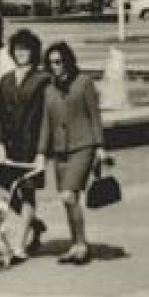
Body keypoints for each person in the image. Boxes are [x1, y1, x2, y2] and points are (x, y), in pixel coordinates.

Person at [43, 40, 106, 265]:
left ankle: (81, 245)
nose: (55, 67)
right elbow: (45, 123)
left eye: (59, 62)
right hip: (60, 150)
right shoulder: (49, 88)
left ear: (68, 61)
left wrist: (100, 147)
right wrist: (42, 153)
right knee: (69, 200)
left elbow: (94, 116)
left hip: (83, 145)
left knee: (69, 195)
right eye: (51, 63)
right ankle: (76, 243)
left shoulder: (84, 83)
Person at [0, 27, 49, 263]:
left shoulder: (43, 79)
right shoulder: (5, 81)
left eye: (26, 49)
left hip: (31, 146)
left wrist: (42, 151)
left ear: (34, 52)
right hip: (9, 145)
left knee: (27, 191)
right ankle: (35, 224)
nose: (22, 53)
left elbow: (45, 116)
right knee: (2, 188)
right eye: (18, 49)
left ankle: (20, 246)